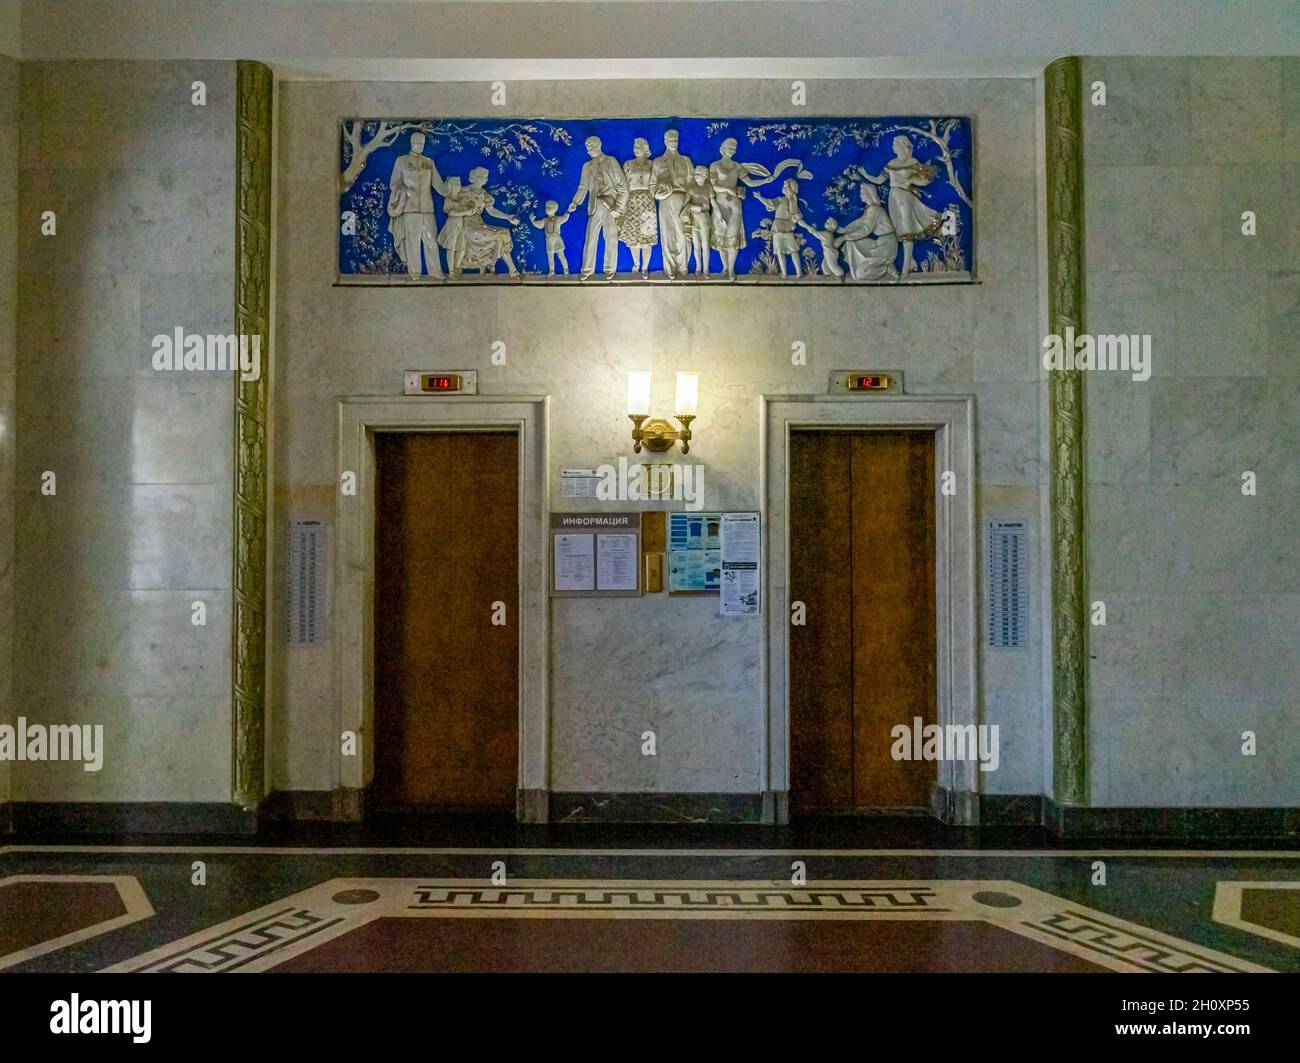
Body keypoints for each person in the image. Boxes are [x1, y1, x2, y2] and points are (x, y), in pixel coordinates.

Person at [708, 137, 804, 280]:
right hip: (720, 203)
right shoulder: (715, 165)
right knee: (721, 238)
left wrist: (766, 180)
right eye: (730, 147)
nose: (733, 150)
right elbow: (713, 186)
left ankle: (731, 270)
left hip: (734, 204)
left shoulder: (737, 167)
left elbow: (750, 182)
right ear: (723, 147)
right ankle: (725, 267)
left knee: (732, 238)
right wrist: (729, 189)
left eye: (735, 148)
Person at [859, 134, 941, 278]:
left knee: (906, 230)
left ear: (903, 145)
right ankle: (911, 261)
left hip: (905, 198)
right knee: (898, 229)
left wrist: (910, 181)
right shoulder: (892, 163)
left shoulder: (913, 162)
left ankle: (905, 267)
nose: (893, 147)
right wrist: (864, 174)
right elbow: (879, 180)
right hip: (893, 198)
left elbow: (925, 181)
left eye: (895, 144)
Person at [386, 130, 448, 279]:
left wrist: (451, 191)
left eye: (422, 144)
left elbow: (439, 185)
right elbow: (394, 184)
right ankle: (414, 273)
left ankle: (435, 271)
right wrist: (405, 191)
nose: (419, 146)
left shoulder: (429, 162)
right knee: (412, 242)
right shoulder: (401, 161)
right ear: (411, 143)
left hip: (427, 208)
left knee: (431, 241)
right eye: (416, 143)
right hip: (409, 208)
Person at [567, 135, 629, 280]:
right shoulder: (587, 167)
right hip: (594, 206)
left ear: (599, 145)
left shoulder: (611, 161)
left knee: (610, 237)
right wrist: (575, 202)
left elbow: (623, 187)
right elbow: (583, 187)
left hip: (610, 205)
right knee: (590, 238)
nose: (589, 150)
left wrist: (618, 207)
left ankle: (609, 268)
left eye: (592, 146)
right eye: (587, 148)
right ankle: (587, 269)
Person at [441, 167, 520, 277]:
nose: (483, 179)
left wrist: (508, 217)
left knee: (504, 232)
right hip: (467, 226)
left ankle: (511, 269)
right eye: (480, 176)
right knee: (499, 236)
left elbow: (491, 211)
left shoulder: (484, 194)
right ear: (473, 177)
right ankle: (505, 268)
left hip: (479, 224)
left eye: (485, 177)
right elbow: (451, 203)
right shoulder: (462, 191)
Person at [651, 129, 693, 279]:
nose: (674, 142)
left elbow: (692, 185)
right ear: (665, 141)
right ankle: (670, 267)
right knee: (667, 234)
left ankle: (683, 266)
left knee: (682, 234)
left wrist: (688, 205)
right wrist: (658, 193)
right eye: (670, 140)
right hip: (665, 201)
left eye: (676, 139)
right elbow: (652, 186)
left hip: (682, 199)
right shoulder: (658, 162)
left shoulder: (686, 161)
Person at [835, 183, 899, 282]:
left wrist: (844, 237)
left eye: (862, 193)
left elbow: (865, 229)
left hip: (887, 246)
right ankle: (855, 268)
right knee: (851, 243)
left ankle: (886, 268)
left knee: (860, 275)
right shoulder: (870, 209)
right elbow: (860, 223)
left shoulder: (875, 209)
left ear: (869, 194)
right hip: (879, 243)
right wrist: (844, 230)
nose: (860, 195)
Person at [620, 137, 658, 279]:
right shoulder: (628, 164)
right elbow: (623, 186)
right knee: (633, 238)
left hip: (648, 201)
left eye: (639, 146)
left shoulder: (652, 164)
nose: (636, 148)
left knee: (647, 237)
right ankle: (636, 264)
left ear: (645, 148)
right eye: (635, 145)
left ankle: (645, 267)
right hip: (632, 201)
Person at [753, 177, 805, 277]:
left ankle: (796, 273)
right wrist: (760, 197)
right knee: (786, 251)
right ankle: (789, 273)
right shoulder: (787, 200)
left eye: (785, 186)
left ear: (790, 189)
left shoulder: (791, 201)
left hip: (782, 228)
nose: (783, 187)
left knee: (789, 251)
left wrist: (759, 197)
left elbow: (795, 215)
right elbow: (769, 203)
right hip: (782, 229)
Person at [530, 200, 571, 276]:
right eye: (546, 208)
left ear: (555, 209)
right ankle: (552, 271)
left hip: (557, 238)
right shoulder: (545, 220)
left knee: (561, 255)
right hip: (549, 239)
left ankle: (566, 270)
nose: (546, 209)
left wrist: (568, 211)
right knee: (550, 256)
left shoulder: (558, 219)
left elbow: (565, 218)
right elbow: (539, 225)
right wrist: (533, 220)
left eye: (549, 208)